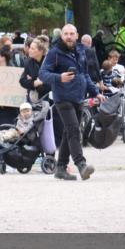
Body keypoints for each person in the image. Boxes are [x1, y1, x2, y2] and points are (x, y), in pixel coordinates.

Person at [39, 24, 104, 181]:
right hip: (62, 98)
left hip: (78, 98)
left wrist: (96, 92)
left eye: (71, 33)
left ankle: (61, 168)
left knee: (69, 132)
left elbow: (84, 75)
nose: (68, 36)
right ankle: (81, 165)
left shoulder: (81, 50)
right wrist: (59, 77)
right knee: (74, 129)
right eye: (66, 34)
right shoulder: (55, 53)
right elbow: (42, 74)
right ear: (62, 36)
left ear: (77, 35)